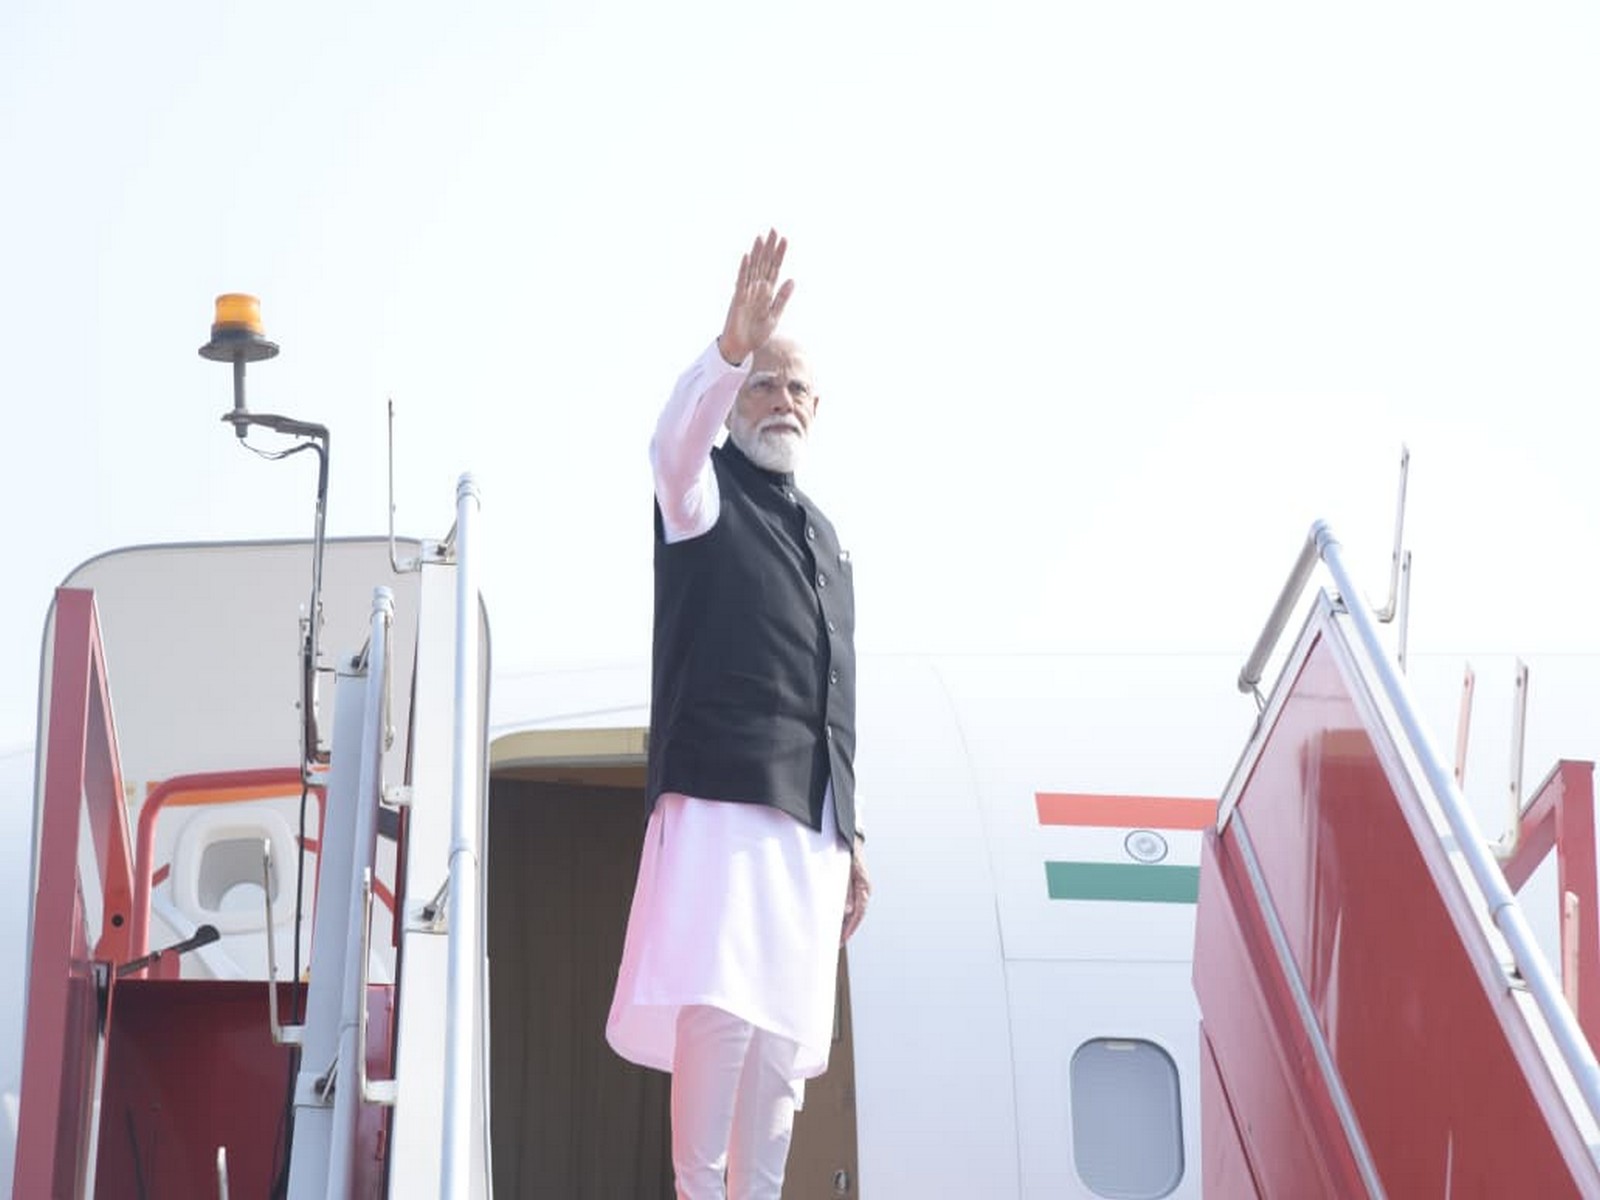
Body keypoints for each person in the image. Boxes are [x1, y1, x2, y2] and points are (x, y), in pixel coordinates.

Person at [606, 229, 872, 1200]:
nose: (783, 402)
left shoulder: (829, 543)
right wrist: (727, 349)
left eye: (798, 389)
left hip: (812, 825)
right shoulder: (704, 490)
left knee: (785, 1039)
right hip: (723, 797)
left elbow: (834, 691)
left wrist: (855, 832)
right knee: (719, 1010)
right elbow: (669, 446)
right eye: (765, 384)